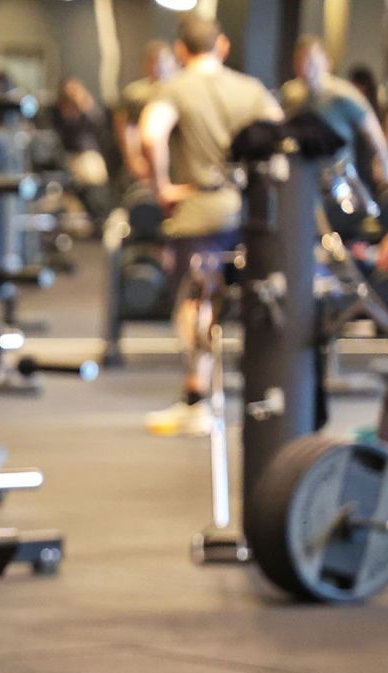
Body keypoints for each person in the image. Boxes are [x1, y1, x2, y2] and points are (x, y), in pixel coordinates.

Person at [138, 15, 282, 436]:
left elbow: (150, 134)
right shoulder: (250, 90)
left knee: (196, 302)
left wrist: (161, 186)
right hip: (244, 211)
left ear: (180, 50)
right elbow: (279, 134)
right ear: (222, 46)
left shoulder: (175, 87)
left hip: (197, 208)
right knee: (235, 300)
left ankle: (197, 399)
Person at [281, 37, 388, 184]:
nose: (306, 66)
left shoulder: (345, 94)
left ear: (326, 61)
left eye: (311, 60)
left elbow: (373, 134)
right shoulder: (290, 94)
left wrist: (384, 167)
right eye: (301, 60)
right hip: (301, 176)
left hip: (337, 178)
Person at [115, 40, 179, 184]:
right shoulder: (135, 93)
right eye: (153, 62)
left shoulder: (181, 91)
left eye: (163, 61)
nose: (158, 67)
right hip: (147, 161)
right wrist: (133, 159)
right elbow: (125, 127)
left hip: (177, 161)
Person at [53, 77, 111, 220]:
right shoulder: (57, 112)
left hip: (88, 156)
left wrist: (84, 105)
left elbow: (99, 126)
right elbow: (60, 136)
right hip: (67, 157)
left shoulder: (88, 110)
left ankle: (101, 215)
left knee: (92, 168)